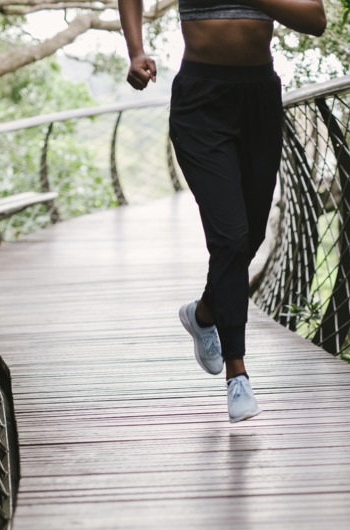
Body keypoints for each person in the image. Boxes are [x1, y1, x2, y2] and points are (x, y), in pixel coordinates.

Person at [119, 0, 326, 422]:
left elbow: (315, 19)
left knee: (251, 236)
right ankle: (238, 375)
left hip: (259, 100)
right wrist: (136, 51)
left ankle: (204, 313)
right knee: (230, 237)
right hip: (201, 101)